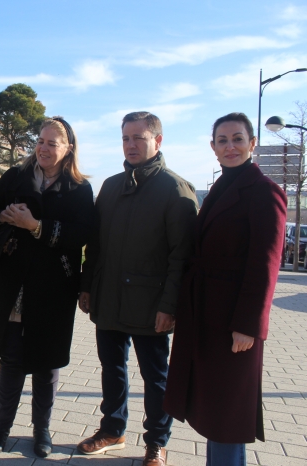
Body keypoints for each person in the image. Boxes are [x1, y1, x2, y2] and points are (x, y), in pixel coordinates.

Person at [164, 113, 287, 466]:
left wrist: (248, 324)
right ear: (213, 147)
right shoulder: (221, 186)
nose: (230, 146)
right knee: (213, 408)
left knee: (227, 413)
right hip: (206, 313)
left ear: (252, 143)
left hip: (234, 321)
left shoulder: (265, 191)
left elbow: (266, 265)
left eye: (237, 139)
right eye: (222, 140)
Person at [78, 112, 198, 466]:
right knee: (111, 368)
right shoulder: (111, 186)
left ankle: (157, 442)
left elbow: (182, 257)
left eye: (138, 138)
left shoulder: (175, 189)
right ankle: (112, 430)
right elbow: (95, 245)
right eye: (125, 138)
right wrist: (87, 286)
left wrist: (169, 305)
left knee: (156, 378)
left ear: (157, 141)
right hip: (108, 297)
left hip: (151, 303)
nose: (130, 145)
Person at [0, 117, 95, 458]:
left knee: (46, 362)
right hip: (13, 282)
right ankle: (1, 427)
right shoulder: (17, 175)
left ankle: (42, 430)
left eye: (51, 143)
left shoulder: (79, 188)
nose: (43, 148)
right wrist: (3, 216)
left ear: (68, 148)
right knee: (11, 358)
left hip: (54, 285)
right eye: (40, 141)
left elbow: (82, 234)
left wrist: (36, 226)